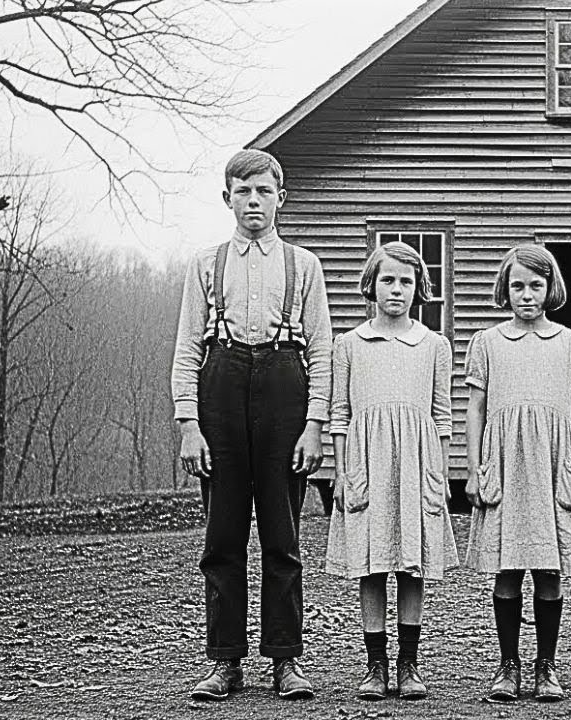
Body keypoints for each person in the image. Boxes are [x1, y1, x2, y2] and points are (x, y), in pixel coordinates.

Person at [171, 149, 331, 702]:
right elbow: (188, 346)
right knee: (223, 537)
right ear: (227, 199)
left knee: (283, 537)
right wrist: (188, 422)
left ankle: (286, 660)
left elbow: (324, 351)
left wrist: (315, 425)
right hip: (221, 389)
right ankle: (224, 661)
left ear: (280, 198)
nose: (254, 201)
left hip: (285, 388)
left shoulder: (303, 265)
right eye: (244, 192)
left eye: (264, 191)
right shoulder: (206, 263)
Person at [325, 241, 460, 701]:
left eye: (406, 281)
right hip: (367, 462)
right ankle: (375, 665)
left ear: (419, 287)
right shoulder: (349, 345)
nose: (396, 290)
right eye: (388, 280)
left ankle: (409, 664)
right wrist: (342, 472)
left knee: (411, 564)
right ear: (372, 285)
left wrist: (438, 475)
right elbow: (339, 414)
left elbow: (442, 417)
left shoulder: (434, 346)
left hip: (417, 463)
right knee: (371, 563)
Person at [463, 244, 571, 703]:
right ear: (505, 289)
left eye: (535, 286)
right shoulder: (487, 342)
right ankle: (507, 665)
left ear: (549, 288)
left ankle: (546, 666)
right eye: (517, 286)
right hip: (504, 462)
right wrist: (475, 467)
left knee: (549, 568)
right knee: (506, 567)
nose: (526, 295)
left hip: (553, 464)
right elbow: (476, 409)